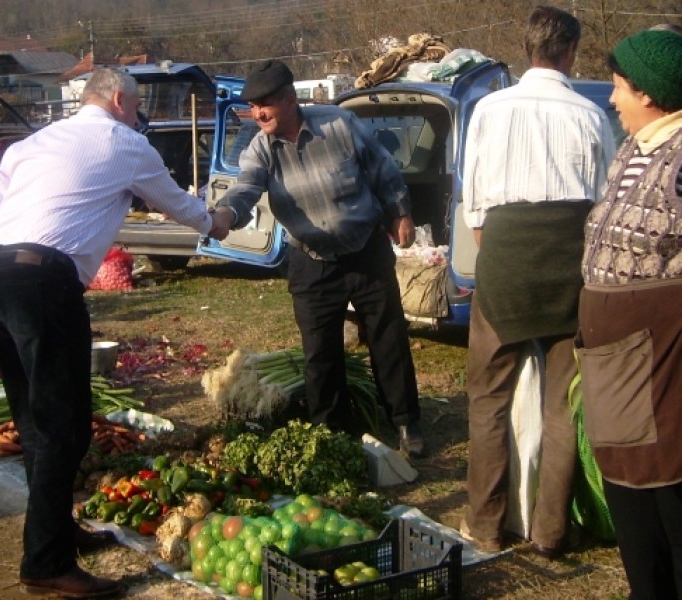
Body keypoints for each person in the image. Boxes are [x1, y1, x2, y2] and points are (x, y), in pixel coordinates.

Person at [0, 67, 230, 598]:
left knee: (31, 418)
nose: (140, 117)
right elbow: (178, 205)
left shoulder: (36, 141)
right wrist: (217, 221)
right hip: (44, 282)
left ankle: (54, 532)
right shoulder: (124, 142)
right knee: (63, 426)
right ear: (120, 100)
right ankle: (45, 563)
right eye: (138, 107)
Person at [460, 5, 616, 556]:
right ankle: (550, 533)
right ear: (570, 51)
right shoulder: (591, 114)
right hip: (568, 270)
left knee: (488, 403)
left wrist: (499, 262)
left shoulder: (488, 109)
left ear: (528, 48)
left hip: (504, 261)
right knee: (559, 409)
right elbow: (604, 206)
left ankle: (484, 526)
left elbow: (473, 204)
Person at [211, 59, 425, 457]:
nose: (258, 113)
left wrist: (400, 212)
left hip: (365, 250)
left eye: (266, 104)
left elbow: (382, 167)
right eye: (253, 105)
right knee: (320, 355)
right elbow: (246, 189)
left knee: (388, 340)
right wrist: (225, 214)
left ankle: (405, 423)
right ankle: (332, 435)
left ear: (291, 100)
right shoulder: (261, 147)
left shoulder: (338, 124)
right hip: (311, 261)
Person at [578, 29, 682, 599]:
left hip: (663, 368)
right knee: (631, 499)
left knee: (669, 496)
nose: (612, 98)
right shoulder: (633, 150)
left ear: (649, 92)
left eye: (619, 87)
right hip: (619, 365)